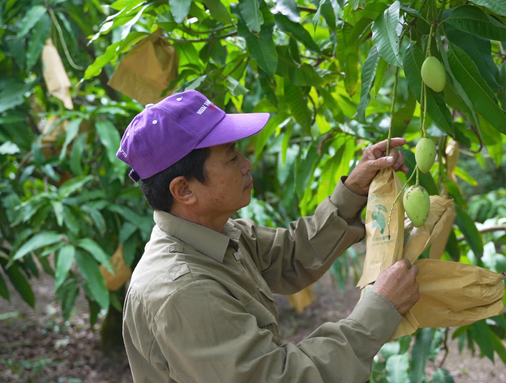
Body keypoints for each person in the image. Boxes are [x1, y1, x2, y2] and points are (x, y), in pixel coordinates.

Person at [116, 90, 421, 383]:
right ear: (184, 190)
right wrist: (379, 310)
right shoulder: (183, 291)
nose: (247, 164)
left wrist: (354, 191)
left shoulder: (217, 235)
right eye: (231, 157)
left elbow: (293, 254)